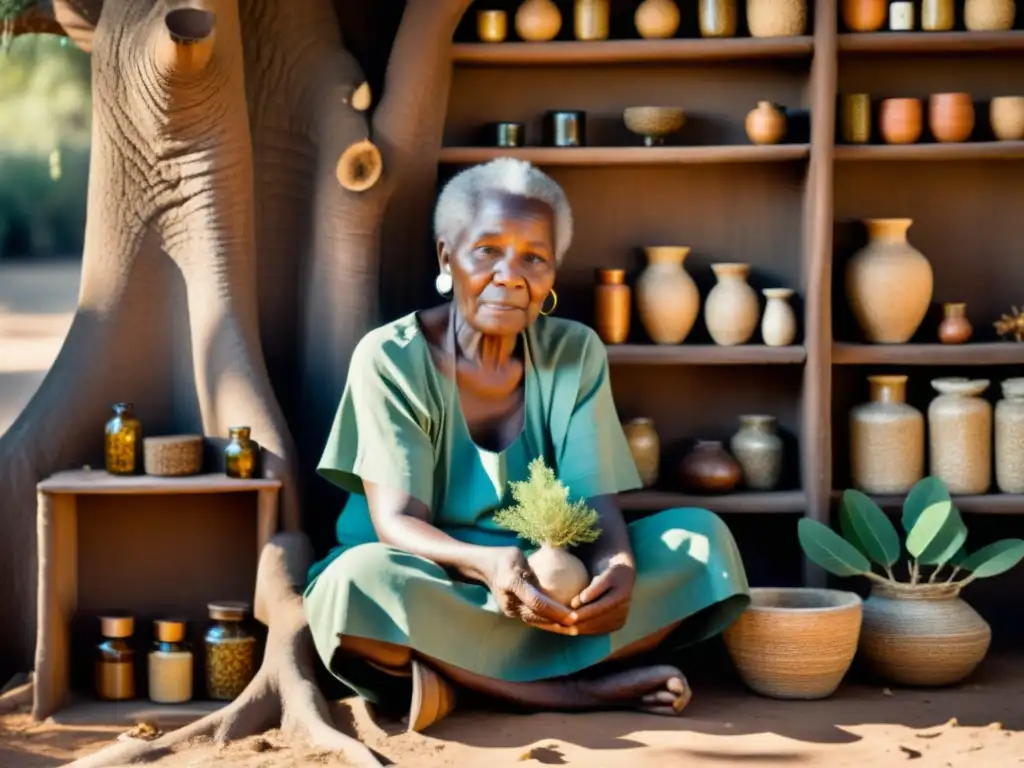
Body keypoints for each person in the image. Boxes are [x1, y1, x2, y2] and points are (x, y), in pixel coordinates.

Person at [303, 157, 750, 732]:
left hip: (548, 592)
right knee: (351, 589)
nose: (510, 274)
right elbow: (396, 521)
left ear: (552, 274)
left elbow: (594, 502)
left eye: (533, 257)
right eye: (486, 250)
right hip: (432, 578)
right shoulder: (389, 356)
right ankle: (573, 692)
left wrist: (617, 567)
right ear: (447, 258)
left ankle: (462, 678)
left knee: (703, 542)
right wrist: (488, 564)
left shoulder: (574, 351)